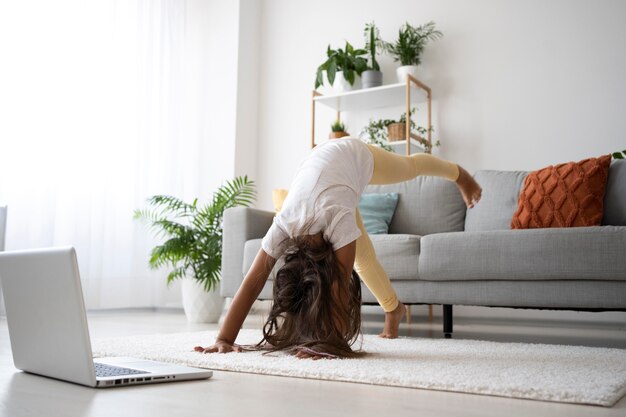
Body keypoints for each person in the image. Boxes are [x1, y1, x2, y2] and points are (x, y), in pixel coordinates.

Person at [194, 137, 482, 359]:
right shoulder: (284, 226)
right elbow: (251, 284)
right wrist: (224, 338)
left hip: (350, 155)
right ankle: (394, 310)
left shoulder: (337, 218)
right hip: (325, 181)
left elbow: (339, 290)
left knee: (409, 167)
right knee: (363, 257)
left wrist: (327, 345)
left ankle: (459, 174)